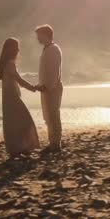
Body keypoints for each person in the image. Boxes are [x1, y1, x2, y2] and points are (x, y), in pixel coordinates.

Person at [0, 38, 40, 159]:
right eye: (16, 47)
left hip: (8, 98)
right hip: (12, 97)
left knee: (13, 122)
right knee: (25, 120)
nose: (18, 50)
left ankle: (17, 148)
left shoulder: (6, 63)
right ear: (12, 49)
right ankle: (23, 147)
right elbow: (19, 81)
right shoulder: (10, 63)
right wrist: (33, 88)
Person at [35, 25, 63, 153]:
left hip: (52, 88)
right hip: (46, 88)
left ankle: (56, 144)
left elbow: (54, 71)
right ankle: (52, 142)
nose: (37, 38)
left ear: (45, 35)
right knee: (48, 115)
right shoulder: (47, 49)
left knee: (53, 115)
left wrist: (47, 86)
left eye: (39, 35)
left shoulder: (53, 49)